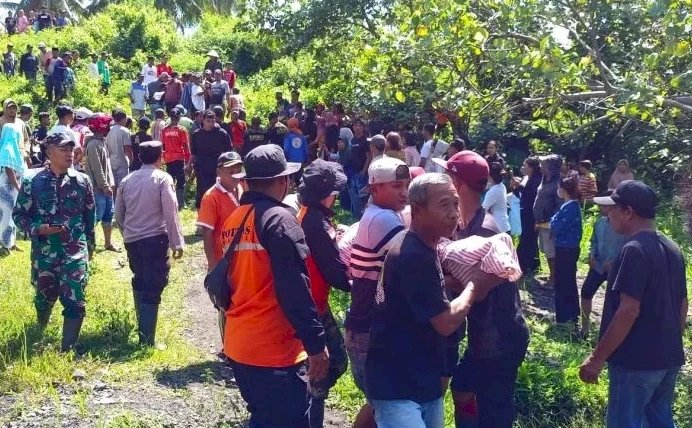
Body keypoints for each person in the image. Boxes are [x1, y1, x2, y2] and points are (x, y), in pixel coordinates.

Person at [219, 145, 329, 428]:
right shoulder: (280, 220)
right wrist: (316, 344)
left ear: (246, 181)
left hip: (240, 344)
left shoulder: (235, 218)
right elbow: (294, 288)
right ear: (284, 181)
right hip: (274, 350)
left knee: (264, 418)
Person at [366, 173, 487, 428]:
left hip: (422, 380)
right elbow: (445, 322)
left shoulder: (424, 247)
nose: (454, 213)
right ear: (418, 211)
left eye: (455, 203)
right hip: (397, 384)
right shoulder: (413, 255)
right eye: (444, 205)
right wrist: (476, 284)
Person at [433, 150, 529, 428]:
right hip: (484, 336)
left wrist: (443, 280)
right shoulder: (465, 224)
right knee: (463, 390)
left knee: (494, 410)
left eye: (447, 177)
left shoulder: (484, 230)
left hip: (499, 338)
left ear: (457, 184)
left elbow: (483, 287)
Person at [580, 181, 687, 428]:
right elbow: (682, 303)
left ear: (629, 212)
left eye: (613, 209)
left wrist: (597, 358)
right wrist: (670, 342)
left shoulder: (634, 250)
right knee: (660, 421)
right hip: (667, 358)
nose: (608, 215)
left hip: (635, 362)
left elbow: (628, 310)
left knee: (624, 422)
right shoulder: (672, 248)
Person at [13, 133, 95, 352]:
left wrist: (90, 249)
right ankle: (40, 329)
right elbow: (19, 214)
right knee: (44, 296)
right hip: (45, 252)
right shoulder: (33, 181)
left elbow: (89, 217)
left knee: (75, 298)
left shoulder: (82, 181)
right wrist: (36, 229)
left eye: (71, 149)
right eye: (64, 150)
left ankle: (67, 349)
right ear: (49, 152)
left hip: (75, 250)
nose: (70, 154)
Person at [345, 157, 410, 428]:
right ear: (375, 190)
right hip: (368, 328)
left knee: (380, 404)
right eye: (396, 186)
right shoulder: (383, 219)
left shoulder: (380, 214)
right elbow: (416, 260)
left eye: (406, 185)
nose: (404, 192)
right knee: (385, 404)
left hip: (367, 324)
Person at [296, 160, 351, 428]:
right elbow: (336, 273)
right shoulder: (315, 222)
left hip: (315, 302)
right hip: (313, 307)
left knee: (329, 364)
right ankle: (307, 412)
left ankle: (306, 406)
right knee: (330, 364)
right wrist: (359, 280)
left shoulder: (310, 215)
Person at [115, 141, 184, 346]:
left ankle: (143, 330)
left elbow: (119, 214)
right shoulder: (162, 179)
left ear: (138, 157)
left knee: (140, 279)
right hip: (155, 238)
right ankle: (146, 340)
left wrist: (128, 232)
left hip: (133, 240)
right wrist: (177, 242)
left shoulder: (126, 180)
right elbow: (170, 212)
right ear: (160, 157)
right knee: (154, 285)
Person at [579, 196, 627, 337]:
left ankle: (612, 334)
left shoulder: (623, 226)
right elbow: (594, 241)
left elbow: (629, 248)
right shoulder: (599, 223)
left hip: (617, 269)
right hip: (598, 266)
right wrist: (592, 254)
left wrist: (614, 262)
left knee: (614, 301)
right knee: (586, 292)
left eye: (604, 206)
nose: (600, 208)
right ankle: (585, 328)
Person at [550, 176, 582, 325]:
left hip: (566, 250)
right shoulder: (569, 207)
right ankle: (569, 314)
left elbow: (555, 226)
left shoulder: (570, 208)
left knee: (564, 282)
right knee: (566, 281)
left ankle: (565, 317)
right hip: (565, 249)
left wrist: (552, 222)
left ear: (563, 190)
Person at [84, 113, 118, 252]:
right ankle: (88, 245)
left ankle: (108, 243)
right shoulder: (93, 145)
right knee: (96, 217)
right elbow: (97, 168)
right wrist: (104, 185)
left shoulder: (101, 142)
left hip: (106, 187)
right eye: (107, 125)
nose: (109, 128)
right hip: (99, 189)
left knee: (108, 215)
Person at [0, 100, 29, 257]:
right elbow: (9, 171)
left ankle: (11, 242)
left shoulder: (15, 149)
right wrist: (18, 186)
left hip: (13, 187)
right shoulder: (7, 149)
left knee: (12, 214)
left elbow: (26, 142)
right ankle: (5, 244)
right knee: (5, 215)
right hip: (7, 188)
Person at [190, 110, 232, 207]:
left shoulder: (221, 133)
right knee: (202, 192)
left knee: (217, 192)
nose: (211, 123)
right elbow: (194, 152)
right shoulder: (197, 134)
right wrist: (189, 165)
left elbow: (229, 151)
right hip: (201, 168)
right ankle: (201, 215)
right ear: (203, 121)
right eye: (208, 121)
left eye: (212, 121)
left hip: (216, 168)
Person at [533, 154, 562, 286]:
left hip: (549, 222)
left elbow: (559, 205)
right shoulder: (544, 180)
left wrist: (552, 223)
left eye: (543, 164)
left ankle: (554, 278)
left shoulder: (558, 183)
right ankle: (552, 274)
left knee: (552, 253)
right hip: (541, 222)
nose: (541, 166)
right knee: (546, 251)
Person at [512, 156, 542, 279]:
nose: (523, 168)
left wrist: (519, 186)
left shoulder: (537, 180)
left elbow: (531, 196)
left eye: (525, 166)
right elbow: (522, 196)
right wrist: (515, 189)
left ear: (532, 168)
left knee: (527, 239)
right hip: (525, 212)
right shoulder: (527, 178)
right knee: (528, 239)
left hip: (532, 213)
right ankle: (533, 264)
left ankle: (524, 265)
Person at [160, 108, 190, 209]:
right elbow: (185, 145)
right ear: (179, 117)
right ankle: (181, 203)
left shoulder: (164, 130)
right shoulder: (181, 130)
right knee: (181, 181)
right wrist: (188, 158)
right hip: (179, 158)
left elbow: (163, 146)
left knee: (170, 181)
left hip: (168, 158)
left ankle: (170, 202)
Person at [104, 110, 133, 194]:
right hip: (122, 162)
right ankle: (122, 205)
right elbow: (127, 148)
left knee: (113, 186)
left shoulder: (109, 130)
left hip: (111, 162)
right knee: (123, 187)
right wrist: (131, 160)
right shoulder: (125, 131)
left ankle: (115, 204)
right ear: (124, 119)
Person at [347, 118, 370, 219]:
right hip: (353, 171)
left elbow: (369, 157)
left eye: (359, 125)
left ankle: (364, 216)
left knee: (363, 195)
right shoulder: (353, 140)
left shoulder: (365, 141)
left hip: (362, 172)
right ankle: (356, 216)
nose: (357, 128)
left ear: (363, 127)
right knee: (354, 194)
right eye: (355, 125)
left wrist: (364, 170)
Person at [482, 162, 510, 233]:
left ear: (489, 176)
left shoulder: (492, 192)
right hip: (504, 225)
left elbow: (483, 210)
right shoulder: (501, 186)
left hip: (497, 228)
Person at [283, 117, 308, 182]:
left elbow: (286, 149)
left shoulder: (287, 136)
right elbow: (305, 149)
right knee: (299, 181)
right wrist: (306, 160)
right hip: (300, 161)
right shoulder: (302, 135)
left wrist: (285, 158)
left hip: (290, 161)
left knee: (290, 180)